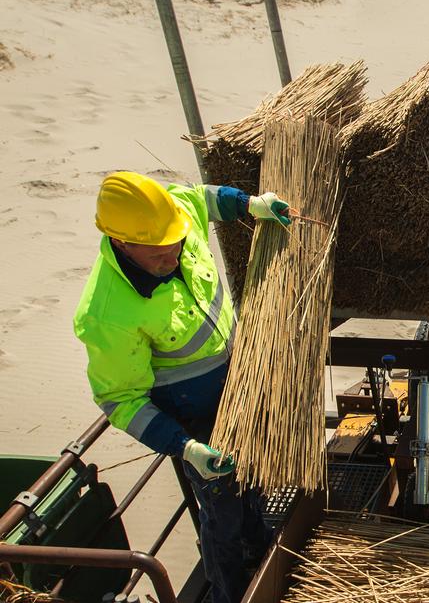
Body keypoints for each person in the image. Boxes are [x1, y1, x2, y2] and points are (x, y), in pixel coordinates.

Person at [73, 172, 292, 603]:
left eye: (176, 242)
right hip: (195, 420)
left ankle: (261, 540)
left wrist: (250, 204)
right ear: (121, 242)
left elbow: (200, 199)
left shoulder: (171, 217)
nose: (172, 254)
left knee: (251, 479)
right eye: (157, 251)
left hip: (239, 386)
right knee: (220, 513)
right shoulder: (107, 312)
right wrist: (186, 447)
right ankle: (228, 591)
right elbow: (120, 400)